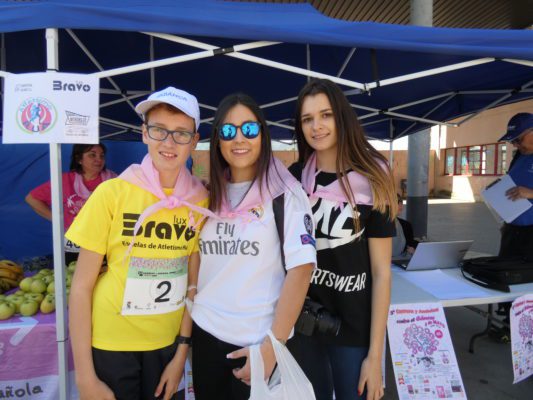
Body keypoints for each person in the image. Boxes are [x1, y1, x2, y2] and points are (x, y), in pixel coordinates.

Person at [66, 87, 210, 400]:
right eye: (159, 130)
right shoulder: (112, 193)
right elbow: (80, 288)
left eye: (181, 133)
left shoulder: (202, 202)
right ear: (144, 133)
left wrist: (181, 353)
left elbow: (193, 286)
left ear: (195, 141)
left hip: (167, 345)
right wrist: (84, 377)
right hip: (111, 342)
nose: (169, 142)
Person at [190, 93, 316, 400]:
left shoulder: (285, 193)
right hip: (206, 336)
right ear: (217, 139)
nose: (239, 139)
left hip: (258, 342)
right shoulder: (208, 194)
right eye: (227, 131)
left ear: (263, 134)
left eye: (249, 129)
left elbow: (301, 270)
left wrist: (272, 347)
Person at [288, 78, 397, 400]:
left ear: (342, 117)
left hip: (354, 327)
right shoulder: (294, 178)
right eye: (307, 119)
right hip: (304, 321)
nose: (317, 126)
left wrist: (375, 355)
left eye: (326, 115)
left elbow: (382, 273)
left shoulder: (374, 179)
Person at [25, 144, 116, 264]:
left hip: (105, 243)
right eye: (92, 155)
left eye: (102, 156)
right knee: (73, 274)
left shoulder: (114, 181)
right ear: (79, 159)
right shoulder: (65, 180)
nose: (99, 159)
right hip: (74, 244)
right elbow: (32, 199)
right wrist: (59, 220)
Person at [497, 112, 533, 260]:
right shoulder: (519, 156)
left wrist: (530, 193)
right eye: (512, 141)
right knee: (504, 271)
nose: (515, 145)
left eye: (518, 139)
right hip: (512, 232)